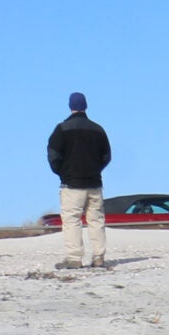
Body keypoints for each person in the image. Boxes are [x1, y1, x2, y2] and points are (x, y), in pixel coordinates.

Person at [47, 92, 110, 270]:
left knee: (72, 220)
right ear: (86, 106)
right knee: (96, 220)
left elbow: (53, 155)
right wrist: (96, 169)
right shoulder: (98, 130)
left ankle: (74, 258)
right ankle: (98, 257)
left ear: (70, 106)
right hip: (94, 183)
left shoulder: (62, 129)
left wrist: (61, 172)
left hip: (72, 184)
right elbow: (106, 156)